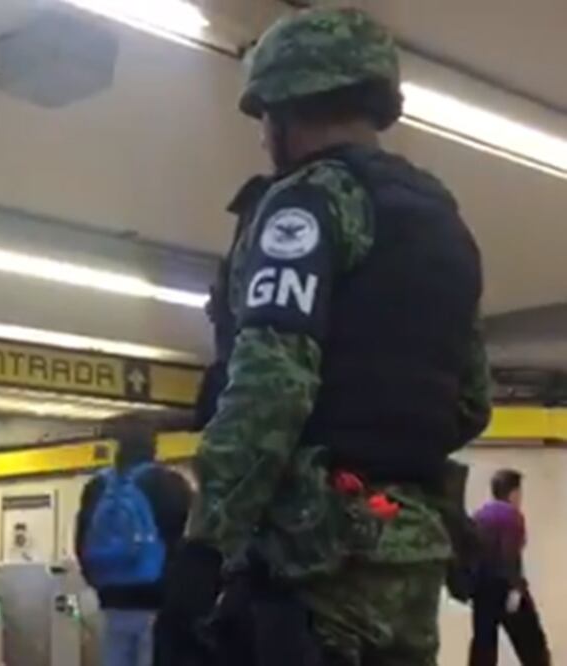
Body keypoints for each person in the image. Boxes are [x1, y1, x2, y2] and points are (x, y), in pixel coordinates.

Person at [191, 7, 490, 665]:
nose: (263, 138)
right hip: (411, 556)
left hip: (316, 565)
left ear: (285, 108)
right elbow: (471, 401)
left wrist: (203, 548)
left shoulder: (308, 203)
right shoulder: (443, 222)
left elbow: (270, 388)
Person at [75, 418, 192, 666]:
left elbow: (81, 539)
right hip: (155, 602)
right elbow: (186, 538)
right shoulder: (169, 484)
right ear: (153, 448)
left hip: (111, 600)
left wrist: (99, 580)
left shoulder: (97, 486)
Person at [468, 469, 549, 665]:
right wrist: (516, 588)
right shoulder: (512, 517)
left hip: (481, 590)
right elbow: (509, 555)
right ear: (514, 493)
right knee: (532, 643)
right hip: (505, 588)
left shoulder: (479, 515)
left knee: (484, 645)